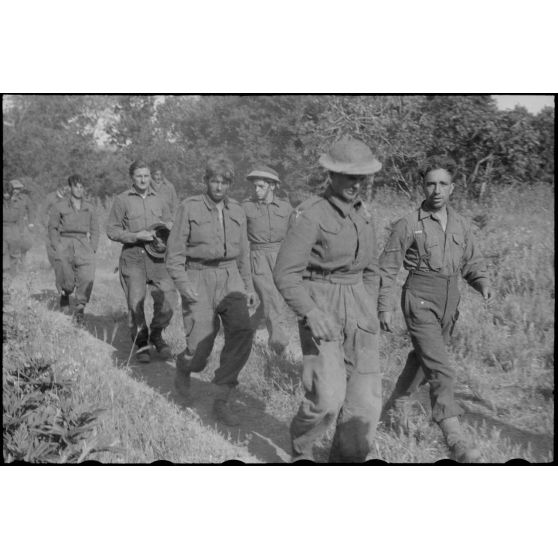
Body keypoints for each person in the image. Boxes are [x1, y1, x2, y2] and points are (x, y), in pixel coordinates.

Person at [273, 136, 383, 463]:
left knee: (365, 403)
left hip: (360, 309)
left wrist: (371, 305)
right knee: (327, 398)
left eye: (361, 177)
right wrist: (310, 311)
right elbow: (285, 273)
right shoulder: (311, 214)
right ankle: (302, 450)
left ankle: (346, 461)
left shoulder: (365, 215)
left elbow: (372, 268)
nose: (356, 184)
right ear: (331, 175)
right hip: (322, 305)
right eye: (349, 176)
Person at [378, 155, 492, 463]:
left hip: (449, 300)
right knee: (441, 368)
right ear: (422, 187)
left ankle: (396, 405)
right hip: (419, 298)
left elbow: (470, 263)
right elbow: (387, 268)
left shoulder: (461, 225)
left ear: (453, 188)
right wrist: (384, 307)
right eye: (430, 183)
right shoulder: (408, 224)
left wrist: (482, 282)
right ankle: (454, 438)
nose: (436, 190)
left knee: (422, 358)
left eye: (443, 183)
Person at [165, 157, 258, 426]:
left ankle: (222, 398)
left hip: (230, 277)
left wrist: (248, 286)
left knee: (242, 332)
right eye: (214, 181)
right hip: (198, 276)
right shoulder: (189, 207)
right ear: (206, 181)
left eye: (224, 182)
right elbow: (174, 255)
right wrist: (184, 286)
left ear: (229, 184)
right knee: (199, 349)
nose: (219, 186)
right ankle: (185, 368)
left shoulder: (237, 210)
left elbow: (243, 252)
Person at [106, 160, 175, 363]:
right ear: (132, 178)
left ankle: (156, 334)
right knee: (135, 302)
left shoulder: (160, 199)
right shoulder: (122, 200)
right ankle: (142, 342)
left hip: (158, 258)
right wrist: (136, 236)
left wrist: (167, 228)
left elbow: (170, 220)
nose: (143, 180)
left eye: (146, 176)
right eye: (139, 176)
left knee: (169, 298)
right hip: (133, 256)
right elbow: (112, 230)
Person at [242, 165, 292, 353]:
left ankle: (244, 333)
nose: (256, 190)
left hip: (281, 258)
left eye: (261, 186)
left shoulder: (286, 208)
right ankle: (279, 345)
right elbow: (240, 238)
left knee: (268, 303)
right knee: (272, 300)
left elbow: (294, 234)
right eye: (254, 186)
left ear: (272, 186)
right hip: (258, 258)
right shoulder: (246, 207)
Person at [48, 174, 99, 325]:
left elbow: (95, 229)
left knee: (87, 277)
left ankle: (80, 309)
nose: (79, 189)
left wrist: (93, 247)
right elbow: (52, 228)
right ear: (70, 188)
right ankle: (65, 294)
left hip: (84, 243)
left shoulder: (90, 207)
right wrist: (57, 246)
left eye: (82, 186)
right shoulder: (59, 206)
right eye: (76, 186)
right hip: (65, 242)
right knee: (67, 279)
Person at [2, 179, 35, 276]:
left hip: (21, 226)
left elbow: (31, 210)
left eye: (19, 188)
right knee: (8, 248)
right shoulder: (7, 199)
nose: (17, 191)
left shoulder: (24, 198)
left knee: (25, 245)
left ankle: (22, 263)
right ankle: (9, 269)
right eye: (16, 188)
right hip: (10, 226)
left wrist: (31, 223)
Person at [44, 182, 70, 268]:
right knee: (51, 247)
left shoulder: (69, 197)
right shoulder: (50, 197)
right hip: (52, 226)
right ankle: (54, 265)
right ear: (59, 188)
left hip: (64, 227)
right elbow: (43, 212)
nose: (65, 191)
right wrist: (46, 224)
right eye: (63, 189)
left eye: (66, 189)